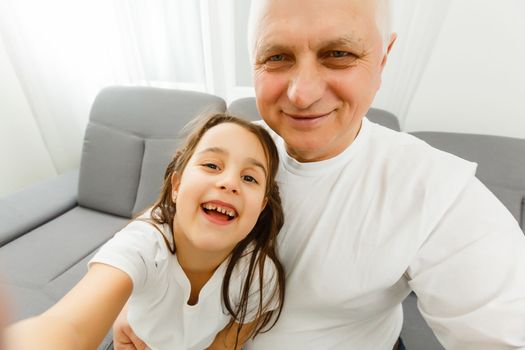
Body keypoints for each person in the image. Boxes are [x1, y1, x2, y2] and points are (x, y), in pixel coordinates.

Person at [114, 0, 525, 349]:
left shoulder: (439, 193)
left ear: (383, 58)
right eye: (277, 56)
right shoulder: (239, 149)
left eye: (339, 54)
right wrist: (131, 298)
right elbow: (166, 215)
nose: (302, 94)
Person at [5, 113, 286, 350]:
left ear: (261, 207)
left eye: (249, 177)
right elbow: (68, 326)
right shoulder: (144, 242)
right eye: (212, 165)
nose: (229, 182)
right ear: (177, 186)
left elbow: (229, 341)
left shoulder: (260, 274)